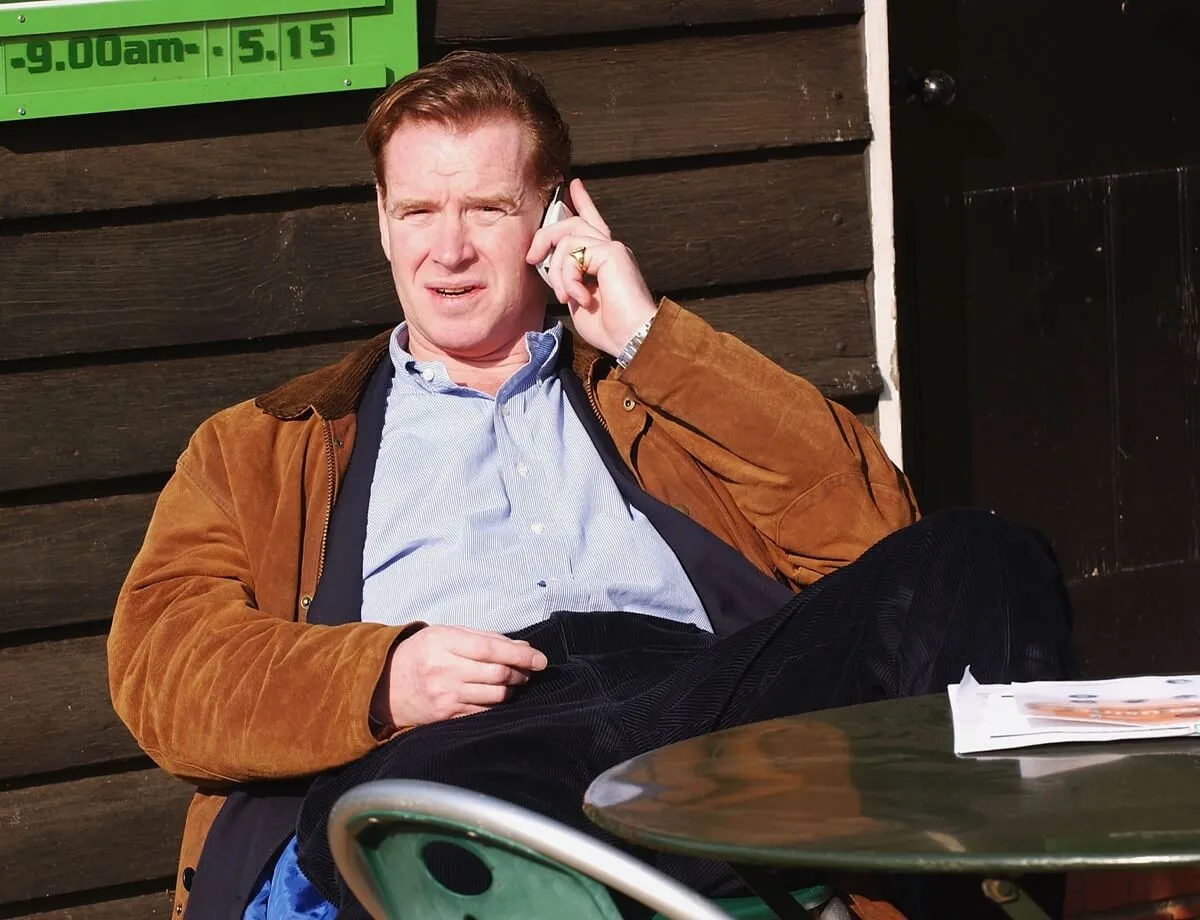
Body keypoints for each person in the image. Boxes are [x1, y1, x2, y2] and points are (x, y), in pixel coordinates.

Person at [107, 50, 1074, 920]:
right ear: (382, 220)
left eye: (486, 208)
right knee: (409, 812)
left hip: (694, 705)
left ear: (553, 213)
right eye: (417, 211)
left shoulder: (649, 381)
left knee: (980, 555)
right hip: (468, 741)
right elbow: (162, 668)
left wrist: (653, 340)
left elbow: (869, 532)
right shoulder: (270, 443)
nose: (447, 251)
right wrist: (384, 677)